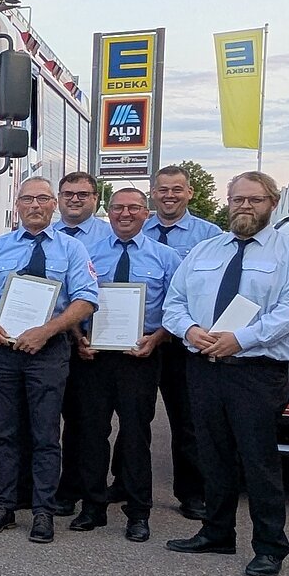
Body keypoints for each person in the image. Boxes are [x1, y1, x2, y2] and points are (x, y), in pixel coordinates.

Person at [163, 172, 289, 576]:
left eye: (255, 199)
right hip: (204, 367)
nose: (244, 206)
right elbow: (174, 302)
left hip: (256, 372)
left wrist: (242, 339)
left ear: (272, 202)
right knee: (212, 456)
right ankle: (217, 532)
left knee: (258, 461)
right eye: (237, 200)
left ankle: (270, 546)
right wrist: (188, 330)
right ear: (227, 202)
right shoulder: (206, 250)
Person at [0, 176, 97, 544]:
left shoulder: (72, 250)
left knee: (45, 435)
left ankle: (43, 511)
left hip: (48, 351)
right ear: (18, 205)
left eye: (43, 199)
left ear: (54, 204)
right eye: (28, 199)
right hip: (2, 350)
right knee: (5, 434)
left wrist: (47, 330)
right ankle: (4, 506)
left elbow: (86, 300)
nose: (35, 206)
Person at [66, 187, 181, 542]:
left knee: (135, 435)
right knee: (91, 433)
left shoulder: (166, 257)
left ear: (146, 213)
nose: (125, 214)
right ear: (108, 211)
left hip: (140, 355)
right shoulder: (87, 253)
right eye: (117, 207)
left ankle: (138, 512)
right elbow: (71, 298)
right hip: (93, 355)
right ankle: (92, 507)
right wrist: (77, 337)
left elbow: (179, 307)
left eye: (133, 208)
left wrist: (156, 338)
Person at [141, 164, 223, 521]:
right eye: (163, 189)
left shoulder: (210, 236)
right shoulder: (138, 228)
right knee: (134, 417)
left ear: (190, 193)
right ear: (153, 193)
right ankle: (125, 483)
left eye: (177, 189)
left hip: (185, 341)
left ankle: (192, 493)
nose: (169, 195)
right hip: (141, 337)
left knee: (187, 420)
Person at [53, 171, 113, 516]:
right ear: (59, 198)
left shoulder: (110, 237)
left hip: (97, 345)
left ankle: (83, 491)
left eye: (83, 194)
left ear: (95, 199)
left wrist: (86, 337)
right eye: (68, 194)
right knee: (48, 419)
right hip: (55, 340)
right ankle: (53, 487)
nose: (74, 199)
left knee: (86, 423)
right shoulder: (45, 235)